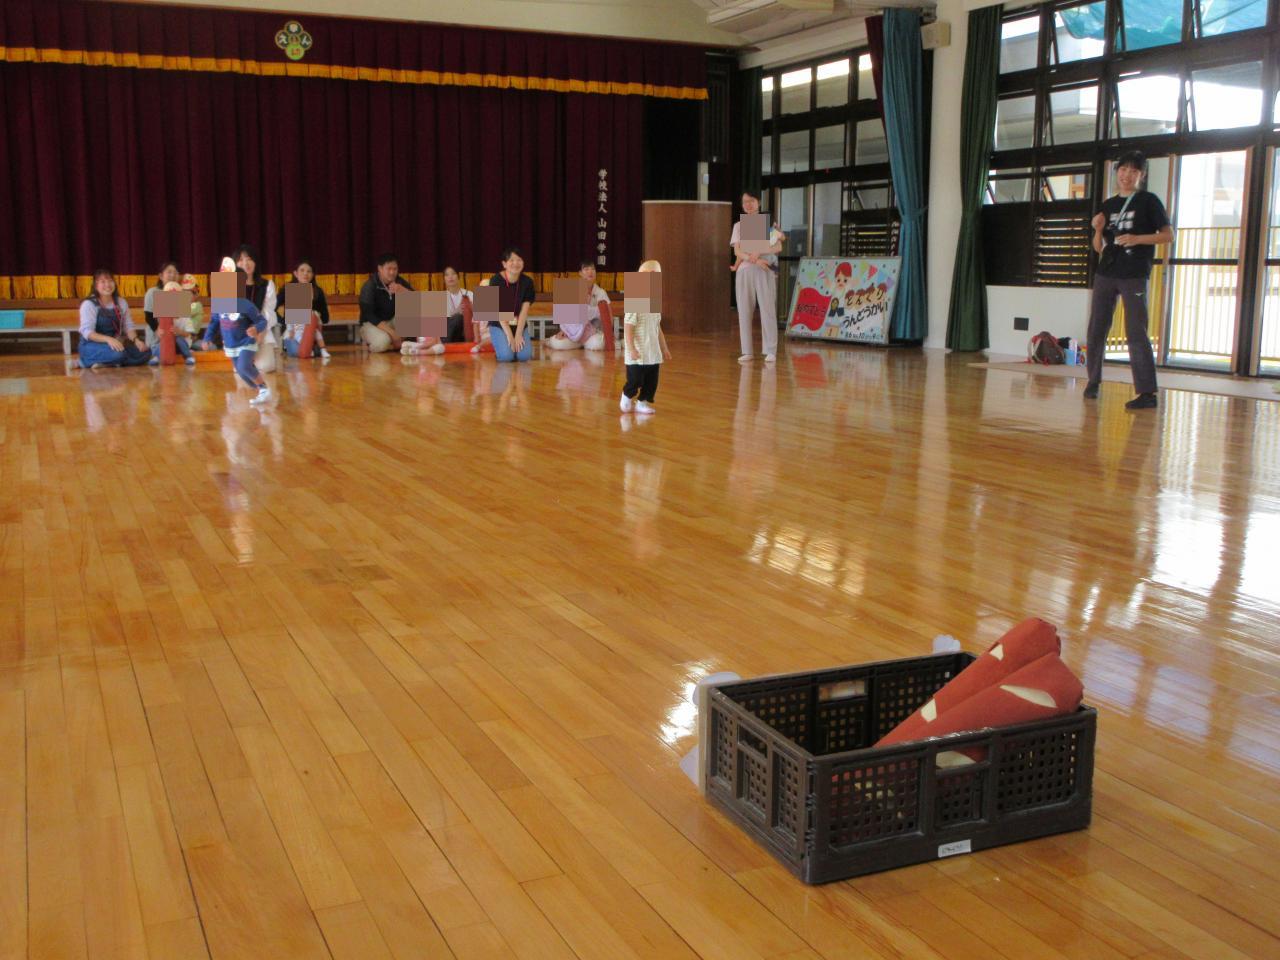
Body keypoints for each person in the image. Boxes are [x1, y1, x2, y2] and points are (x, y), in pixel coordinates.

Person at [1085, 150, 1173, 410]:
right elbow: (1099, 248)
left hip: (1134, 273)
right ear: (1117, 172)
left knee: (1136, 331)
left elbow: (1168, 235)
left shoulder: (1149, 201)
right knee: (1096, 328)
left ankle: (1147, 393)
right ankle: (1093, 381)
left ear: (1141, 175)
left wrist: (1137, 239)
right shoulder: (1109, 204)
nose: (1127, 175)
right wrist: (1097, 230)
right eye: (1123, 169)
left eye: (1133, 171)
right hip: (1106, 272)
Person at [202, 267, 273, 404]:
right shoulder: (219, 304)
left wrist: (255, 328)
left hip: (246, 342)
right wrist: (207, 338)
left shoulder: (245, 305)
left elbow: (262, 321)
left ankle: (264, 389)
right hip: (231, 345)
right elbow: (214, 323)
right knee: (241, 371)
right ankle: (260, 390)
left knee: (243, 366)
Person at [730, 192, 783, 364]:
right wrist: (752, 259)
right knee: (744, 310)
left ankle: (770, 350)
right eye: (745, 202)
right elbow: (737, 251)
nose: (748, 204)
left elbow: (778, 246)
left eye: (751, 201)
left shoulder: (768, 223)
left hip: (764, 270)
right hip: (745, 271)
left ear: (758, 202)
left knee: (767, 309)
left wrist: (759, 252)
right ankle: (747, 351)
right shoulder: (739, 226)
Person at [619, 260, 670, 416]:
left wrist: (664, 348)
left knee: (651, 381)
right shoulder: (635, 300)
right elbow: (628, 326)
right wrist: (631, 348)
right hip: (637, 353)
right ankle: (627, 394)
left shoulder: (654, 302)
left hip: (652, 352)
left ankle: (642, 403)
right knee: (635, 380)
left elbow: (657, 327)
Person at [77, 269, 152, 369]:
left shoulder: (121, 302)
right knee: (119, 354)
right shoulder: (89, 304)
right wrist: (109, 339)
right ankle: (85, 361)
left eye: (110, 281)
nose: (108, 284)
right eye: (103, 282)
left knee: (146, 352)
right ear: (95, 285)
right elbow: (87, 332)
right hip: (93, 344)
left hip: (116, 343)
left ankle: (109, 363)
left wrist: (136, 341)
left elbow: (128, 326)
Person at [546, 258, 610, 351]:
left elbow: (608, 316)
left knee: (598, 344)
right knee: (558, 343)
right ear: (580, 273)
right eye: (586, 269)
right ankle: (550, 341)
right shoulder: (570, 288)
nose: (590, 272)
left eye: (593, 269)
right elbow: (562, 318)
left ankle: (585, 345)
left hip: (592, 334)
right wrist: (563, 331)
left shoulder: (601, 292)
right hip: (572, 334)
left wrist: (609, 335)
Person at [233, 244, 279, 373]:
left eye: (249, 259)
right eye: (240, 260)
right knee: (241, 369)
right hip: (239, 335)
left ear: (255, 262)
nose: (245, 263)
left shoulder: (267, 284)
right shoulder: (227, 283)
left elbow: (268, 314)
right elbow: (223, 317)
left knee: (266, 367)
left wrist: (260, 335)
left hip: (260, 333)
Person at [487, 247, 536, 362]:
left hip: (518, 323)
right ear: (504, 264)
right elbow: (501, 314)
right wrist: (510, 336)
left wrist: (518, 334)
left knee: (524, 356)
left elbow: (524, 311)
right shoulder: (496, 280)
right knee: (506, 357)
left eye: (519, 260)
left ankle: (509, 348)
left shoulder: (527, 282)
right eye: (511, 260)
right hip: (499, 324)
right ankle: (502, 349)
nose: (516, 263)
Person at [278, 258, 332, 360]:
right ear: (295, 273)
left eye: (309, 271)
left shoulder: (317, 291)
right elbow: (273, 308)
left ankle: (315, 349)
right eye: (302, 270)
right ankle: (306, 350)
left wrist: (314, 316)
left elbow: (325, 318)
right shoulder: (288, 289)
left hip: (310, 330)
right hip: (293, 330)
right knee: (297, 351)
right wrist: (283, 321)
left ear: (313, 274)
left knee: (313, 349)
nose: (305, 274)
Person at [147, 280, 198, 366]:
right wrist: (159, 332)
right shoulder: (164, 315)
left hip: (182, 344)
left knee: (177, 338)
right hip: (168, 344)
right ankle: (156, 356)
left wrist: (180, 332)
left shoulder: (186, 315)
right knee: (159, 343)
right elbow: (159, 330)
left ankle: (188, 356)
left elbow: (189, 333)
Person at [142, 261, 180, 345]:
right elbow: (148, 316)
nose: (173, 275)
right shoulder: (153, 292)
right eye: (169, 272)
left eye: (175, 273)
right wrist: (157, 330)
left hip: (177, 337)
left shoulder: (180, 293)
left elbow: (182, 320)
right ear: (161, 276)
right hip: (157, 339)